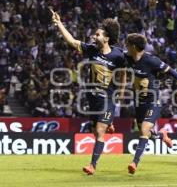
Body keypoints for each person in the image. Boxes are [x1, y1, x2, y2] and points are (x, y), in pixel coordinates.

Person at [51, 9, 126, 175]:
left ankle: (92, 165)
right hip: (92, 98)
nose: (94, 36)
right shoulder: (91, 49)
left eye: (98, 34)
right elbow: (71, 41)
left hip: (107, 98)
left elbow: (125, 72)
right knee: (94, 131)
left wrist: (120, 91)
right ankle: (109, 123)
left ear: (106, 38)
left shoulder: (118, 56)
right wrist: (59, 23)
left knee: (99, 131)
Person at [124, 33, 177, 174]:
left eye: (127, 45)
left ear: (133, 46)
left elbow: (171, 71)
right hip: (139, 103)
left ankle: (134, 162)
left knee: (144, 130)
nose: (125, 47)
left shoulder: (151, 60)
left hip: (153, 102)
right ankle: (162, 135)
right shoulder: (128, 57)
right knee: (147, 133)